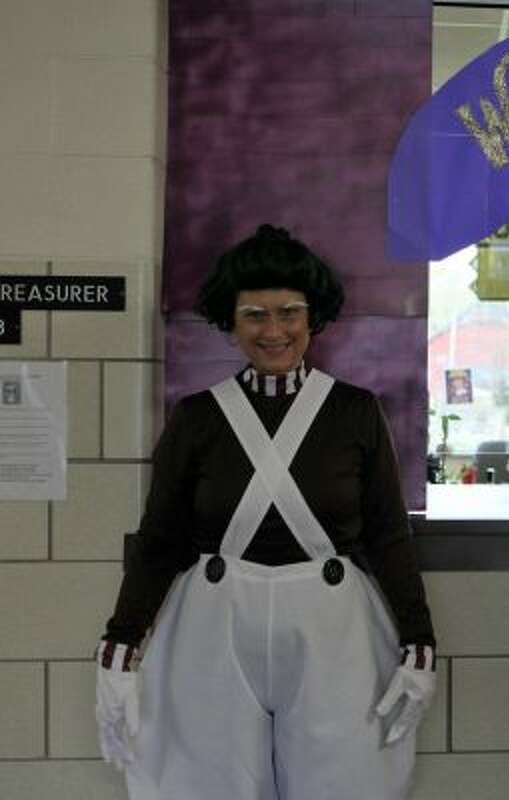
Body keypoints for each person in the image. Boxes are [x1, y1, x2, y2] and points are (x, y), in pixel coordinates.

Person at [94, 224, 436, 800]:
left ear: (313, 317)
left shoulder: (354, 412)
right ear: (231, 321)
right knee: (208, 780)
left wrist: (420, 642)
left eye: (289, 312)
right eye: (254, 314)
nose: (273, 330)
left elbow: (388, 536)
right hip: (212, 627)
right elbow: (160, 540)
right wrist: (119, 645)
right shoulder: (197, 417)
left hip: (334, 629)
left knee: (342, 780)